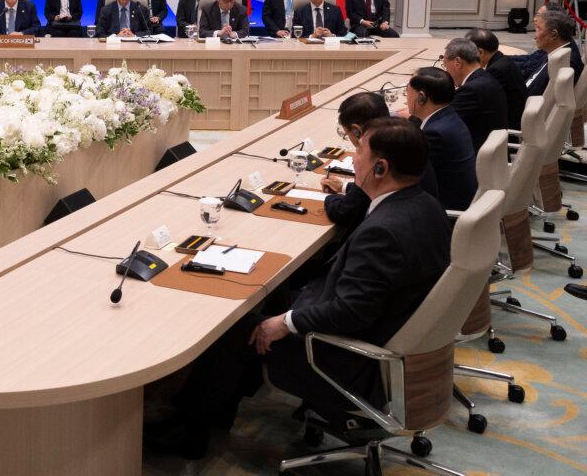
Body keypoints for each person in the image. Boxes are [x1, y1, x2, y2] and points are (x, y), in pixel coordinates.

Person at [151, 117, 451, 460]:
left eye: (359, 152)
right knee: (270, 296)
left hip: (350, 359)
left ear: (380, 168)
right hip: (391, 333)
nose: (353, 158)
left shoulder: (383, 230)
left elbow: (351, 312)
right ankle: (224, 403)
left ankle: (189, 433)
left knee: (232, 329)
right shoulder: (427, 206)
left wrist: (284, 323)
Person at [319, 92, 440, 226]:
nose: (355, 157)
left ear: (356, 131)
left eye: (359, 150)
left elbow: (346, 213)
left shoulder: (377, 155)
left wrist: (330, 198)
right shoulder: (406, 138)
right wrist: (344, 187)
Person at [406, 66, 477, 211]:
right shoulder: (448, 116)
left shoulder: (434, 134)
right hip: (464, 200)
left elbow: (409, 178)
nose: (406, 96)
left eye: (407, 91)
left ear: (421, 97)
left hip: (447, 212)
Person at [444, 37, 508, 152]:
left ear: (458, 62)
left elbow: (443, 121)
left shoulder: (471, 90)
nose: (446, 71)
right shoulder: (485, 78)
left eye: (445, 64)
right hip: (493, 152)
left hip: (475, 155)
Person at [511, 9, 583, 96]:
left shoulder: (564, 62)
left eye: (539, 29)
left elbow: (536, 96)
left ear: (553, 35)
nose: (535, 36)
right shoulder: (555, 50)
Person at [466, 28, 527, 130]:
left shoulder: (496, 70)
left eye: (468, 53)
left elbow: (480, 102)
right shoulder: (502, 60)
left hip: (508, 127)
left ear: (480, 52)